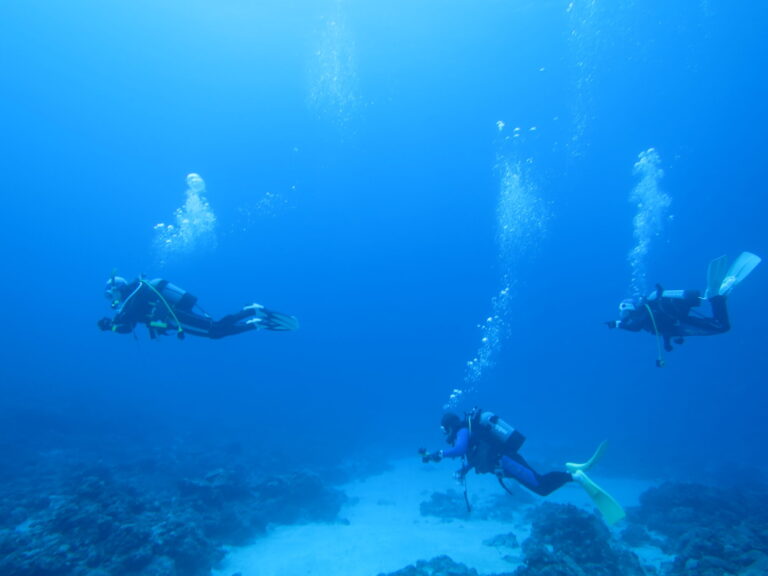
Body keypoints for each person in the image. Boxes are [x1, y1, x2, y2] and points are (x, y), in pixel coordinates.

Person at [420, 408, 625, 524]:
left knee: (541, 485)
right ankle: (572, 474)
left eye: (443, 430)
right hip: (505, 464)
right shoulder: (469, 431)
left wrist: (439, 454)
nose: (444, 434)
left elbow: (459, 449)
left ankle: (575, 476)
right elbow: (478, 457)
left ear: (448, 425)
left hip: (507, 461)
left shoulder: (462, 430)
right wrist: (463, 470)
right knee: (540, 484)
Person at [608, 252, 761, 365]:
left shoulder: (641, 314)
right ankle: (719, 294)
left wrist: (617, 324)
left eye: (624, 312)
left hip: (681, 323)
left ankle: (716, 297)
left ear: (629, 308)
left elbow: (635, 327)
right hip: (680, 324)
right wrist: (667, 343)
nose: (624, 315)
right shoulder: (646, 313)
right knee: (716, 324)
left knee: (721, 326)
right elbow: (662, 328)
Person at [98, 275, 298, 340]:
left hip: (174, 316)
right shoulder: (131, 301)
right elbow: (127, 327)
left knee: (215, 330)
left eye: (110, 293)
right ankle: (255, 321)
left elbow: (129, 323)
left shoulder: (134, 297)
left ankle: (252, 312)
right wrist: (111, 326)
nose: (110, 298)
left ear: (118, 289)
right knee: (215, 331)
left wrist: (113, 324)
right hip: (173, 318)